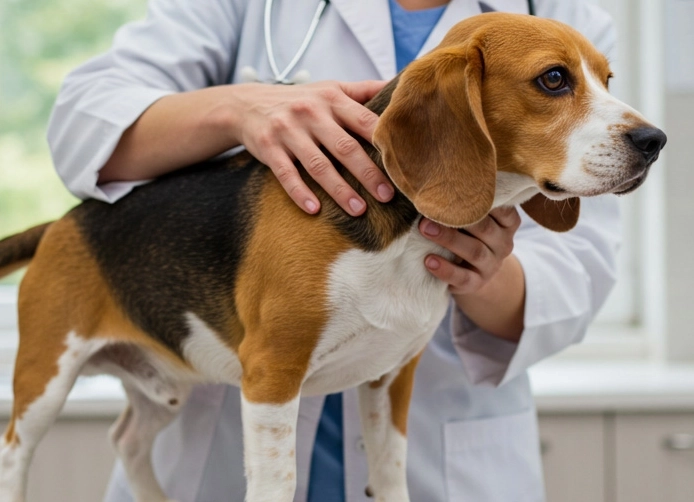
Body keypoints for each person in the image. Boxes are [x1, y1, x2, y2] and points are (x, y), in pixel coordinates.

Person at [46, 0, 620, 500]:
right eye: (553, 81)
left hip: (441, 459)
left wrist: (477, 267)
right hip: (214, 452)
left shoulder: (566, 16)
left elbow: (584, 269)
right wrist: (236, 109)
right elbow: (81, 121)